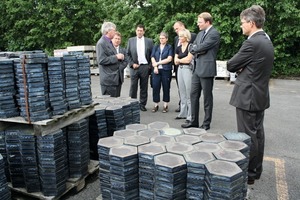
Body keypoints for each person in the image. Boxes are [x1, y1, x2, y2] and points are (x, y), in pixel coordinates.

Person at [227, 5, 274, 185]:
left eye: (242, 23)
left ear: (251, 23)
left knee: (247, 136)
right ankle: (255, 170)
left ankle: (247, 173)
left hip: (248, 96)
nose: (241, 26)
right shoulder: (266, 40)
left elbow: (231, 65)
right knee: (258, 134)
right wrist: (244, 66)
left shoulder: (252, 43)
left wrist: (241, 67)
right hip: (259, 95)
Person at [181, 12, 220, 130]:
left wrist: (197, 48)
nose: (198, 24)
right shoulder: (200, 33)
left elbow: (202, 47)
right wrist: (197, 48)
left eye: (200, 22)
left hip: (207, 69)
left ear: (207, 22)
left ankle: (206, 123)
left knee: (207, 98)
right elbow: (193, 47)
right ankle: (193, 121)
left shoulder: (214, 34)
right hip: (197, 69)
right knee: (193, 95)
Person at [127, 24, 154, 111]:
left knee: (144, 87)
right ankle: (132, 104)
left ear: (144, 31)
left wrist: (149, 66)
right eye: (138, 30)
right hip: (134, 67)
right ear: (136, 31)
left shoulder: (149, 41)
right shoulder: (131, 41)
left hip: (144, 67)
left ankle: (142, 104)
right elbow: (127, 54)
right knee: (133, 87)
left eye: (141, 31)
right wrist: (132, 64)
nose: (139, 32)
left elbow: (152, 55)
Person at [96, 22, 126, 97]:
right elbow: (101, 60)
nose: (115, 32)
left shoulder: (109, 42)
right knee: (110, 104)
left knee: (116, 103)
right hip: (108, 81)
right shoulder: (101, 43)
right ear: (108, 31)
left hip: (116, 79)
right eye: (114, 30)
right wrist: (116, 57)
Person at [173, 21, 197, 112]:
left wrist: (179, 60)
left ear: (183, 26)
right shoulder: (176, 39)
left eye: (177, 28)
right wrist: (177, 62)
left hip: (189, 68)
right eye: (175, 29)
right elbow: (175, 53)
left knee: (189, 89)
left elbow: (190, 57)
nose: (176, 31)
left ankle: (191, 109)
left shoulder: (193, 36)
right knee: (181, 88)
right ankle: (182, 108)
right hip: (178, 68)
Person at [150, 32, 173, 113]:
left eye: (163, 38)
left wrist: (158, 63)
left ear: (166, 39)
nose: (161, 40)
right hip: (156, 70)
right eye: (160, 38)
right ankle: (156, 104)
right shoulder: (156, 47)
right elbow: (152, 57)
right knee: (155, 87)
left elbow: (169, 59)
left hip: (166, 70)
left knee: (166, 87)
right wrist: (155, 66)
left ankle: (165, 104)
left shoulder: (169, 47)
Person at [174, 29, 194, 123]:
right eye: (179, 36)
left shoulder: (191, 46)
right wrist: (181, 60)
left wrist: (179, 60)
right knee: (182, 92)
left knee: (188, 91)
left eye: (181, 36)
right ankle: (183, 113)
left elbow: (188, 60)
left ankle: (190, 115)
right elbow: (175, 60)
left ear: (186, 37)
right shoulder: (178, 48)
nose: (179, 38)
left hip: (187, 69)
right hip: (180, 70)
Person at [111, 31, 129, 97]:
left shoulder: (123, 50)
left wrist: (120, 67)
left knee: (118, 96)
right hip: (110, 76)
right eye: (116, 38)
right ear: (112, 39)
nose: (117, 40)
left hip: (119, 76)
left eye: (119, 39)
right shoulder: (109, 49)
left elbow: (126, 60)